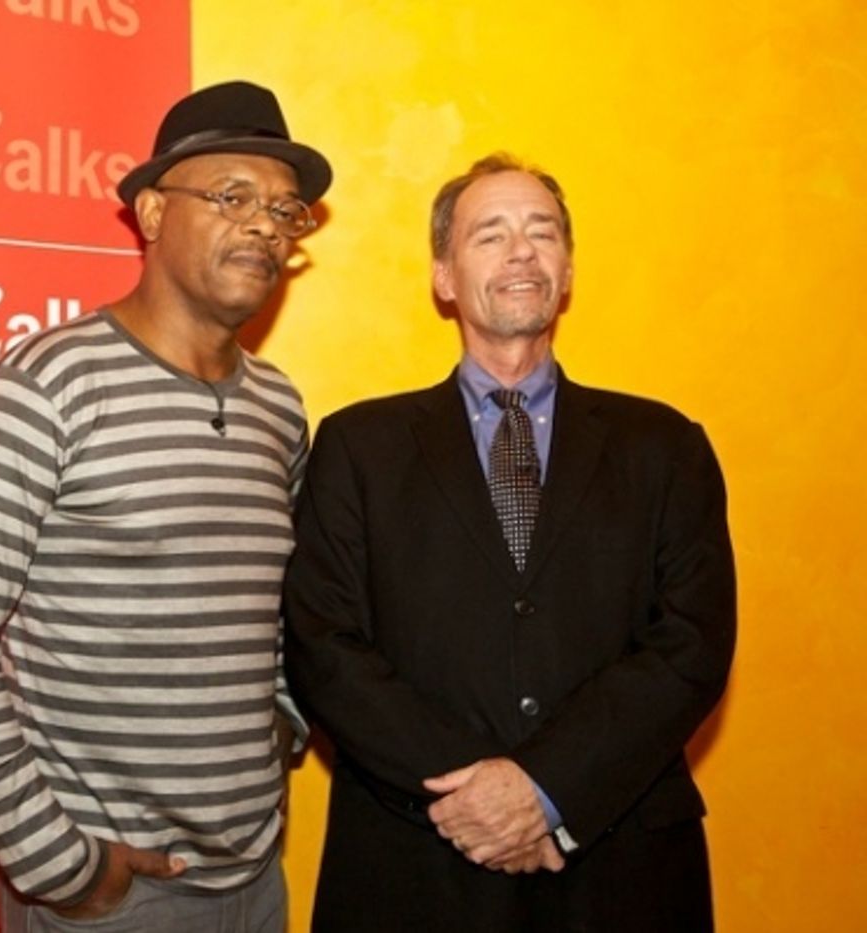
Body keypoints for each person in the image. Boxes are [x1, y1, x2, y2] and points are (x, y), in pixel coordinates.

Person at [0, 81, 331, 932]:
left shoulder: (280, 407)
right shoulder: (47, 383)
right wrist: (62, 866)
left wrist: (283, 719)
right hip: (113, 898)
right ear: (153, 212)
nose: (265, 227)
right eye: (233, 196)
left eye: (286, 211)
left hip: (256, 877)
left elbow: (279, 601)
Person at [283, 153, 736, 932]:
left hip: (619, 868)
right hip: (415, 867)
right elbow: (324, 646)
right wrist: (481, 796)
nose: (522, 251)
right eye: (489, 234)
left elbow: (691, 644)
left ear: (568, 271)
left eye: (542, 232)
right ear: (444, 277)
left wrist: (546, 787)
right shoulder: (358, 446)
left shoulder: (666, 445)